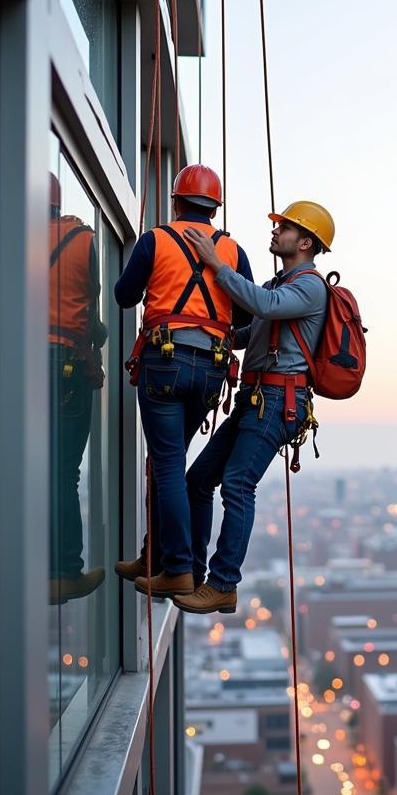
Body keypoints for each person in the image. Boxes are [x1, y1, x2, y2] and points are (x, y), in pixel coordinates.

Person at [175, 200, 333, 615]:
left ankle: (223, 584)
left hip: (278, 400)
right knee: (198, 480)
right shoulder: (280, 284)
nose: (275, 232)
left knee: (237, 485)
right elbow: (254, 330)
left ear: (305, 241)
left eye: (284, 228)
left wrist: (216, 265)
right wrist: (208, 331)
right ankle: (190, 572)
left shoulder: (309, 286)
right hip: (257, 398)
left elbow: (264, 307)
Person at [113, 164, 253, 598]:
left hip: (165, 360)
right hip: (211, 370)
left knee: (168, 464)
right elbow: (245, 314)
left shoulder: (156, 239)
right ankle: (156, 554)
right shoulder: (232, 250)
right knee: (167, 463)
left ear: (176, 201)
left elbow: (124, 296)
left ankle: (175, 567)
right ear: (215, 207)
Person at [48, 173, 107, 604]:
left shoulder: (1, 237)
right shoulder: (82, 240)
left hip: (14, 367)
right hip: (65, 364)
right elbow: (90, 313)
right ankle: (64, 572)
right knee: (63, 470)